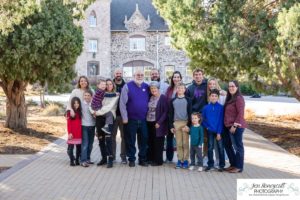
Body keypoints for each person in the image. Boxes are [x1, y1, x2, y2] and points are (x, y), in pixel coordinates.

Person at [120, 70, 150, 167]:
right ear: (134, 76)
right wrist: (125, 117)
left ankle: (142, 159)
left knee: (144, 141)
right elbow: (122, 104)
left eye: (141, 75)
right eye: (138, 75)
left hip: (144, 119)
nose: (140, 76)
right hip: (131, 119)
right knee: (130, 140)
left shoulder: (147, 86)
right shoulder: (127, 86)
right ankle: (131, 159)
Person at [93, 79, 119, 168]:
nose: (108, 86)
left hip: (109, 118)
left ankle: (110, 159)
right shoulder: (100, 94)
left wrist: (97, 112)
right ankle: (104, 158)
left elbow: (108, 107)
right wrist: (93, 111)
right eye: (106, 84)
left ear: (113, 85)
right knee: (100, 139)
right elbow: (92, 103)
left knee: (108, 139)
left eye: (110, 84)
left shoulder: (115, 95)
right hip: (99, 118)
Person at [223, 81, 247, 173]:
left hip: (237, 126)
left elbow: (241, 113)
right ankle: (233, 164)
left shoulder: (239, 98)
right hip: (228, 126)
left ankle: (239, 167)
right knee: (228, 145)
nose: (231, 88)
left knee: (238, 147)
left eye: (233, 86)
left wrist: (235, 125)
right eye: (229, 86)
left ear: (237, 87)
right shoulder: (230, 98)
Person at [169, 83, 192, 169]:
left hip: (185, 123)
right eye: (179, 88)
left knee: (185, 143)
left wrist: (189, 125)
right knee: (178, 143)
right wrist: (171, 126)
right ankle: (179, 160)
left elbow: (190, 113)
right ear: (176, 89)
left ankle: (185, 160)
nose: (180, 90)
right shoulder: (173, 101)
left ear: (184, 90)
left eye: (182, 88)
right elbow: (170, 114)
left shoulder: (188, 100)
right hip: (176, 123)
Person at [202, 89, 225, 172]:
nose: (214, 97)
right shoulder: (206, 108)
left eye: (215, 96)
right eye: (212, 96)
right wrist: (207, 127)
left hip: (219, 131)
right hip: (210, 131)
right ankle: (210, 164)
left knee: (220, 148)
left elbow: (221, 120)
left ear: (218, 97)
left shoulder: (221, 108)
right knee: (210, 147)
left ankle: (221, 165)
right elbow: (203, 120)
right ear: (209, 97)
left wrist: (219, 133)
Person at [146, 81, 168, 166]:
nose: (153, 90)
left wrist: (159, 122)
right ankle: (151, 159)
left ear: (158, 89)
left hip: (158, 123)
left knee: (158, 142)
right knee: (150, 141)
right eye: (151, 88)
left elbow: (166, 112)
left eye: (155, 88)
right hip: (149, 122)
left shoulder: (163, 98)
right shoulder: (150, 97)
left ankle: (158, 161)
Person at [207, 77, 227, 167]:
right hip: (211, 126)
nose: (212, 85)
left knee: (220, 144)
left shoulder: (222, 94)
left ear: (216, 84)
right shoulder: (209, 95)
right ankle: (214, 161)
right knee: (212, 145)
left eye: (213, 84)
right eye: (210, 84)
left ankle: (221, 161)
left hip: (220, 124)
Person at [165, 71, 182, 163]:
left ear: (180, 78)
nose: (176, 79)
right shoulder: (169, 89)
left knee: (180, 139)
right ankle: (169, 158)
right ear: (172, 79)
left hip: (180, 118)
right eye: (174, 77)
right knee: (169, 139)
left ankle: (181, 158)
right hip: (170, 117)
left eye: (178, 77)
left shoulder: (184, 89)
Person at [112, 68, 127, 164]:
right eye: (117, 73)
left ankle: (123, 157)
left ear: (122, 74)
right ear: (114, 74)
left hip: (123, 116)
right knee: (112, 137)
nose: (118, 74)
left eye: (120, 73)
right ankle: (112, 157)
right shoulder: (109, 85)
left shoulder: (126, 86)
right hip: (112, 116)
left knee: (124, 137)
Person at [80, 90, 96, 167]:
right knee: (85, 144)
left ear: (91, 96)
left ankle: (88, 159)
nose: (86, 97)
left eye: (88, 95)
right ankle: (83, 160)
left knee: (90, 144)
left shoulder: (93, 105)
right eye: (85, 95)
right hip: (84, 126)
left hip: (92, 126)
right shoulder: (81, 104)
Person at [66, 97, 82, 166]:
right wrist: (69, 133)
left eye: (77, 103)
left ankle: (77, 160)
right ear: (72, 104)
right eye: (74, 103)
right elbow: (68, 123)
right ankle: (72, 160)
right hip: (72, 133)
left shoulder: (80, 112)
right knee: (70, 149)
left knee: (79, 148)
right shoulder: (70, 112)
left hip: (79, 133)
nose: (76, 104)